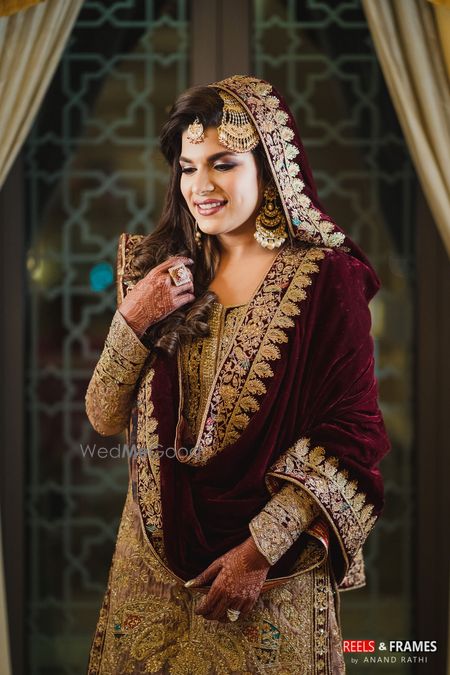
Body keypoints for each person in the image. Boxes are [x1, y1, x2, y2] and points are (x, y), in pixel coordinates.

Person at [85, 75, 390, 674]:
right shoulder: (158, 269)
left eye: (222, 163)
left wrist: (260, 551)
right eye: (188, 166)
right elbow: (101, 415)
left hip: (267, 577)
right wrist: (132, 322)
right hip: (148, 564)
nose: (201, 186)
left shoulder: (328, 281)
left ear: (270, 165)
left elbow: (352, 435)